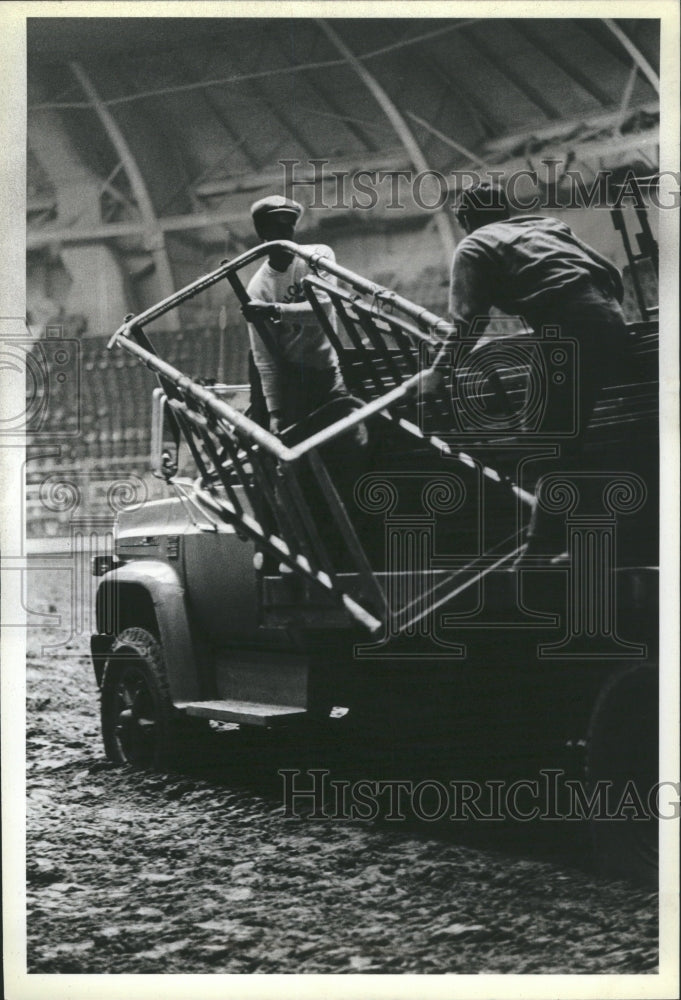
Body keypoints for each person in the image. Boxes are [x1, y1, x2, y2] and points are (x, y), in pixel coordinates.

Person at [418, 182, 628, 564]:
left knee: (549, 442)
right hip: (610, 320)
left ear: (465, 219)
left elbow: (468, 322)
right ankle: (553, 542)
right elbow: (611, 273)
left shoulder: (474, 244)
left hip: (567, 331)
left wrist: (436, 372)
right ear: (505, 210)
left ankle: (549, 546)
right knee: (564, 436)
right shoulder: (545, 225)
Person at [242, 195, 348, 435]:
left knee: (348, 436)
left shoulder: (318, 255)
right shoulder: (258, 288)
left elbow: (323, 310)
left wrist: (275, 310)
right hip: (295, 380)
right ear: (263, 232)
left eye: (290, 224)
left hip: (328, 372)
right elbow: (264, 356)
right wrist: (276, 412)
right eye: (277, 226)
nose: (287, 231)